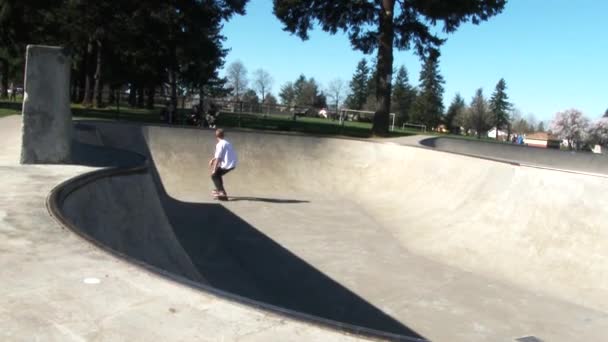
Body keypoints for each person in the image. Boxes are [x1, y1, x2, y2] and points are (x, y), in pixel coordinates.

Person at [209, 129, 237, 200]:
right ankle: (221, 191)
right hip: (232, 163)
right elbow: (222, 154)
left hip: (227, 165)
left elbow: (218, 158)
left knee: (214, 175)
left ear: (216, 136)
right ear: (223, 135)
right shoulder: (227, 143)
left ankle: (221, 192)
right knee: (218, 174)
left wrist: (214, 169)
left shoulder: (219, 144)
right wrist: (213, 159)